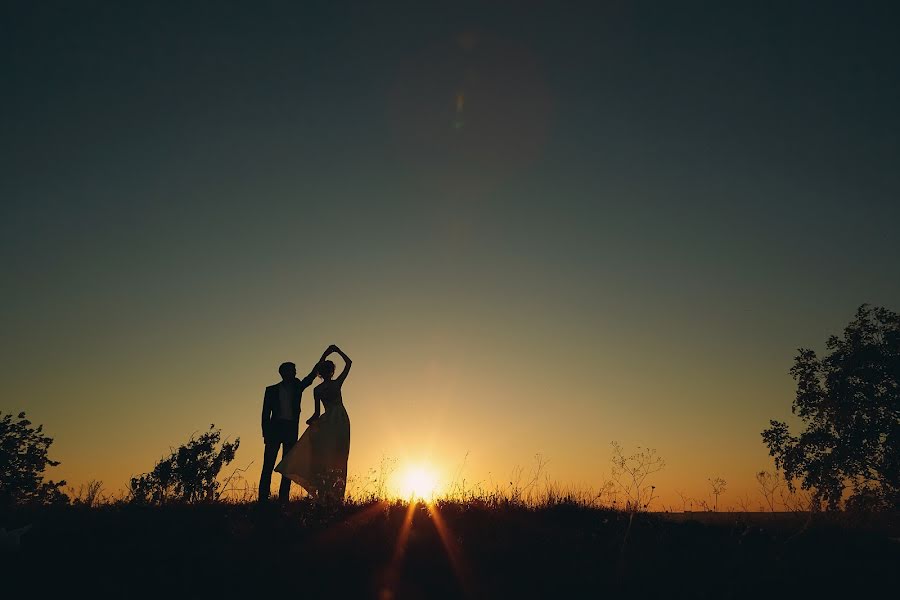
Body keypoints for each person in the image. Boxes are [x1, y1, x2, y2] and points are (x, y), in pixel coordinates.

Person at [276, 344, 352, 502]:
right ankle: (333, 495)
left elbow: (316, 414)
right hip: (340, 420)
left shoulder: (317, 390)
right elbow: (349, 363)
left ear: (320, 373)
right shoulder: (336, 384)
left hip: (329, 420)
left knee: (328, 455)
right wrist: (337, 351)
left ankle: (327, 493)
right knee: (338, 456)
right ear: (331, 371)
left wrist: (311, 421)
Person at [258, 349, 331, 504]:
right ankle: (262, 500)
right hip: (274, 431)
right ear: (284, 373)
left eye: (295, 371)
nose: (295, 373)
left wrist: (324, 355)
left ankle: (283, 499)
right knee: (268, 466)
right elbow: (265, 415)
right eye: (293, 370)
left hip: (290, 431)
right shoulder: (271, 390)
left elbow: (311, 376)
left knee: (287, 467)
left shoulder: (297, 386)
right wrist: (266, 435)